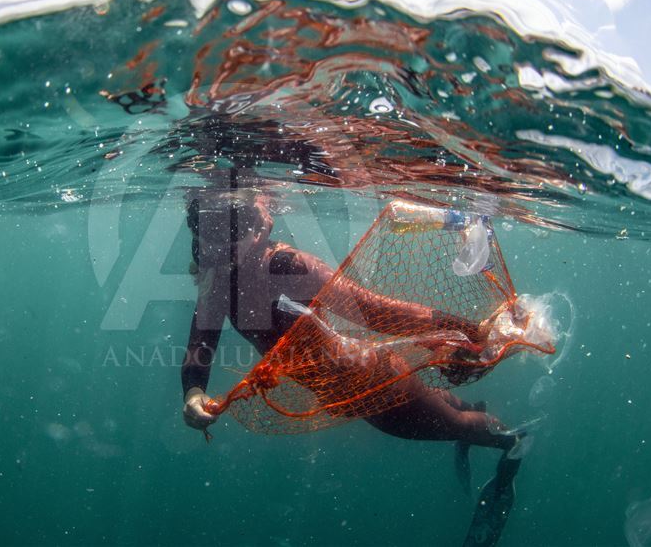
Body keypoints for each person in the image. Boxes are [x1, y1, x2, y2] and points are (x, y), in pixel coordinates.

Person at [180, 187, 524, 546]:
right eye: (207, 238)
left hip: (376, 384)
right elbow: (199, 345)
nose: (216, 251)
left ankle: (515, 445)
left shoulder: (288, 265)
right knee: (448, 414)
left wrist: (470, 331)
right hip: (351, 390)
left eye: (225, 237)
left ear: (253, 230)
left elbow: (374, 310)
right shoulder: (219, 282)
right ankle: (477, 416)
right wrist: (193, 392)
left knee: (457, 425)